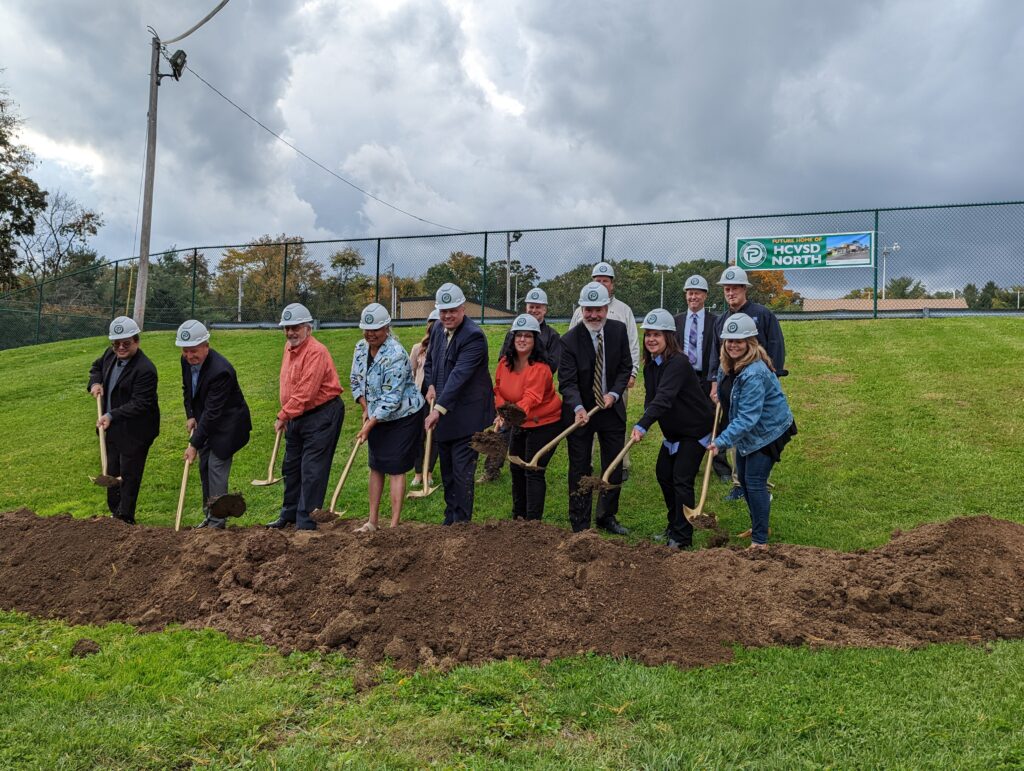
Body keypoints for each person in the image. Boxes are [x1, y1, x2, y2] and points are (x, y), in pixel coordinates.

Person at [708, 313, 796, 548]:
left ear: (750, 342)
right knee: (745, 482)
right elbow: (730, 399)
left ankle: (760, 541)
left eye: (739, 340)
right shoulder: (728, 365)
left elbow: (748, 417)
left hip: (768, 431)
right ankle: (759, 524)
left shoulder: (754, 372)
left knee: (755, 481)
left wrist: (721, 441)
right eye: (729, 340)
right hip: (750, 429)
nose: (733, 345)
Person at [632, 309, 715, 549]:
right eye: (648, 334)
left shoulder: (678, 362)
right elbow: (652, 400)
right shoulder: (651, 366)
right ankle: (674, 524)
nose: (651, 339)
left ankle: (682, 537)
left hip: (695, 431)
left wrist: (643, 424)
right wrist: (647, 417)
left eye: (657, 334)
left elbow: (665, 397)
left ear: (669, 337)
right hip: (674, 433)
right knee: (663, 474)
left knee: (681, 479)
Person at [706, 266, 787, 501]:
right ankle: (739, 482)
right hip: (732, 388)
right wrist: (714, 382)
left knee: (760, 431)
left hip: (757, 386)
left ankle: (759, 483)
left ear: (744, 289)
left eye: (735, 288)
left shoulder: (762, 314)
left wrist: (775, 378)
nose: (730, 293)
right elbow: (716, 354)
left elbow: (775, 346)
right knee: (738, 428)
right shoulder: (721, 321)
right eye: (726, 289)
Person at [560, 282, 633, 534]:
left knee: (612, 465)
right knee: (579, 467)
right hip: (582, 414)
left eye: (598, 309)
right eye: (588, 309)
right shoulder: (569, 341)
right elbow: (567, 382)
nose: (593, 315)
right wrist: (578, 407)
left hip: (611, 410)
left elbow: (625, 367)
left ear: (606, 308)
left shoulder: (618, 330)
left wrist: (614, 393)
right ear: (581, 309)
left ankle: (607, 516)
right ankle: (580, 522)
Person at [266, 303, 345, 531]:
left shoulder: (316, 351)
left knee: (312, 469)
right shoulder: (289, 347)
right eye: (287, 328)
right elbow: (291, 385)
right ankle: (289, 514)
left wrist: (283, 415)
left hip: (322, 415)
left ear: (308, 328)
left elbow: (306, 391)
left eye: (296, 327)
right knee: (291, 467)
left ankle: (306, 520)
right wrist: (288, 413)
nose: (291, 332)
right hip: (297, 415)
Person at [423, 283, 495, 525]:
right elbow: (430, 362)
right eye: (443, 311)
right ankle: (450, 518)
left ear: (463, 308)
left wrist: (438, 409)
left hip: (467, 416)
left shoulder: (473, 336)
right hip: (443, 415)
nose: (447, 316)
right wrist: (430, 385)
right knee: (447, 471)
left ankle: (462, 525)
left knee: (462, 472)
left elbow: (459, 377)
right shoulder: (436, 331)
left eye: (452, 310)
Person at [349, 303, 425, 531]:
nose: (370, 334)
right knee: (376, 465)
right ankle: (372, 521)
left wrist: (369, 424)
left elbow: (392, 399)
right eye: (367, 329)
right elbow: (355, 379)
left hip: (403, 416)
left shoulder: (396, 354)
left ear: (387, 328)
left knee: (395, 467)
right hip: (376, 414)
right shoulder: (361, 348)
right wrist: (365, 407)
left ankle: (393, 526)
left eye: (376, 329)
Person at [479, 286, 562, 483]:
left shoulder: (552, 336)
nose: (534, 310)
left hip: (534, 397)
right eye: (531, 306)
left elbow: (551, 366)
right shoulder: (514, 331)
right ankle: (491, 469)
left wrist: (529, 381)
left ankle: (525, 466)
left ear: (545, 309)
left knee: (520, 435)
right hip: (512, 394)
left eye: (538, 307)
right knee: (503, 431)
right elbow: (504, 358)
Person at [175, 320, 252, 529]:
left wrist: (193, 444)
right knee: (204, 467)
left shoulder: (221, 371)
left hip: (228, 426)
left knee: (216, 468)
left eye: (194, 351)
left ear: (206, 346)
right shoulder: (186, 362)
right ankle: (209, 515)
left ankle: (218, 522)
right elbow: (188, 389)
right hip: (208, 422)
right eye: (185, 351)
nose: (190, 356)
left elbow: (212, 413)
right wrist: (190, 414)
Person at [569, 261, 640, 484]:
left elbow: (632, 345)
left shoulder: (623, 312)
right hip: (585, 391)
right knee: (585, 432)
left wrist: (631, 375)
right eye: (596, 280)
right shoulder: (579, 316)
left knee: (614, 432)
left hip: (614, 386)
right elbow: (571, 348)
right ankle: (587, 463)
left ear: (612, 284)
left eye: (605, 280)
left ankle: (620, 464)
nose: (601, 283)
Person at [87, 316, 160, 525]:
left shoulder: (145, 369)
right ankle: (114, 516)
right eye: (116, 343)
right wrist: (95, 383)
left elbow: (140, 404)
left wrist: (110, 415)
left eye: (126, 343)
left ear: (136, 341)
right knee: (111, 472)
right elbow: (96, 368)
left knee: (129, 474)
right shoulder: (109, 355)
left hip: (136, 431)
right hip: (111, 428)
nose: (120, 347)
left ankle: (126, 518)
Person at [493, 314, 563, 520]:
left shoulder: (541, 368)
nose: (522, 340)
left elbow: (531, 397)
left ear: (535, 341)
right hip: (520, 422)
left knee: (533, 470)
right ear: (512, 339)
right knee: (516, 466)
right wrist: (501, 412)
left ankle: (533, 524)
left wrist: (511, 415)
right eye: (518, 336)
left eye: (528, 336)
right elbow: (498, 390)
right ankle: (518, 517)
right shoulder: (505, 363)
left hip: (544, 423)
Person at [673, 274, 732, 483]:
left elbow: (721, 350)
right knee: (685, 418)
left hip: (708, 377)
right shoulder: (677, 320)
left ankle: (719, 464)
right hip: (684, 379)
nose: (693, 297)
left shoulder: (715, 321)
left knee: (713, 419)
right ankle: (688, 460)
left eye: (697, 293)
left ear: (705, 296)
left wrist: (716, 379)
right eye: (690, 293)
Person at [409, 308, 439, 488]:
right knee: (418, 436)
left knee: (433, 436)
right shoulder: (417, 349)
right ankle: (418, 473)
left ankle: (429, 471)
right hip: (419, 398)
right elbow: (411, 373)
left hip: (436, 399)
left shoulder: (447, 349)